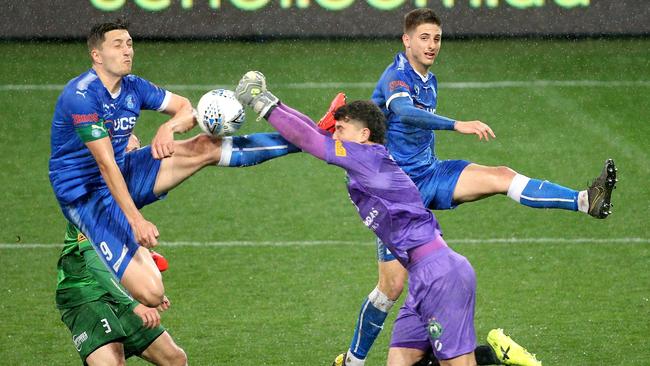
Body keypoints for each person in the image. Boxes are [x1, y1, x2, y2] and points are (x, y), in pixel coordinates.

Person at [315, 8, 616, 365]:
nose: (431, 45)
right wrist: (457, 124)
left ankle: (586, 201)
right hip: (400, 195)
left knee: (501, 175)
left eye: (437, 38)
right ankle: (354, 359)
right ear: (406, 40)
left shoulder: (429, 79)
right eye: (424, 38)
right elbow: (404, 111)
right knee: (391, 287)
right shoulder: (396, 75)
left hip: (432, 174)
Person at [235, 70, 540, 366]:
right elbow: (314, 134)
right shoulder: (365, 160)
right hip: (422, 279)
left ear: (364, 134)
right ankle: (489, 356)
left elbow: (310, 139)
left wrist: (262, 101)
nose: (334, 133)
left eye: (341, 129)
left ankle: (498, 356)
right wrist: (276, 101)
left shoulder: (367, 157)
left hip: (440, 276)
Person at [48, 20, 298, 307]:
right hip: (85, 195)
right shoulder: (80, 97)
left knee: (205, 147)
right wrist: (137, 221)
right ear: (97, 55)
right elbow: (105, 166)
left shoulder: (133, 87)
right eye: (118, 45)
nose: (127, 51)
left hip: (122, 173)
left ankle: (304, 140)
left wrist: (169, 128)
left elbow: (184, 108)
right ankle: (129, 254)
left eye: (129, 44)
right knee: (152, 295)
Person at [56, 221, 187, 365]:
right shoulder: (87, 207)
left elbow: (124, 253)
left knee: (175, 359)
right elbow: (96, 265)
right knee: (114, 363)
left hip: (116, 291)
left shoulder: (123, 209)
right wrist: (134, 303)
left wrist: (146, 292)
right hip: (84, 294)